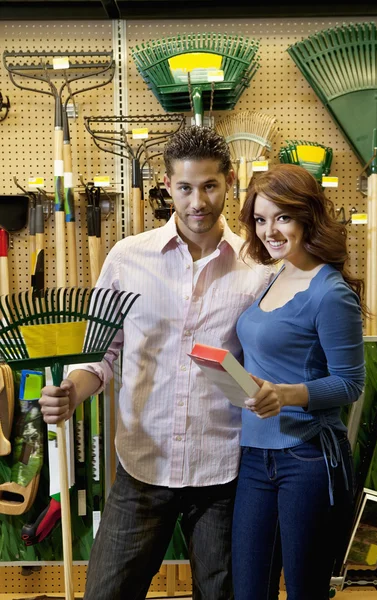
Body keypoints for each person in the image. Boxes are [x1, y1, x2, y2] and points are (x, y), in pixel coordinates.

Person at [39, 126, 272, 600]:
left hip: (223, 472)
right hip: (143, 468)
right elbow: (99, 355)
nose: (198, 202)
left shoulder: (259, 264)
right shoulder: (128, 259)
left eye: (209, 186)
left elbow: (268, 359)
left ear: (229, 181)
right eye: (185, 188)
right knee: (105, 592)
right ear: (167, 186)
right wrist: (71, 392)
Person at [231, 163, 366, 600]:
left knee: (305, 591)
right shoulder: (275, 277)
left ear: (308, 216)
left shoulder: (330, 292)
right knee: (250, 589)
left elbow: (350, 383)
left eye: (282, 217)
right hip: (255, 457)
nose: (270, 230)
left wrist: (286, 395)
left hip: (307, 458)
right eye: (260, 218)